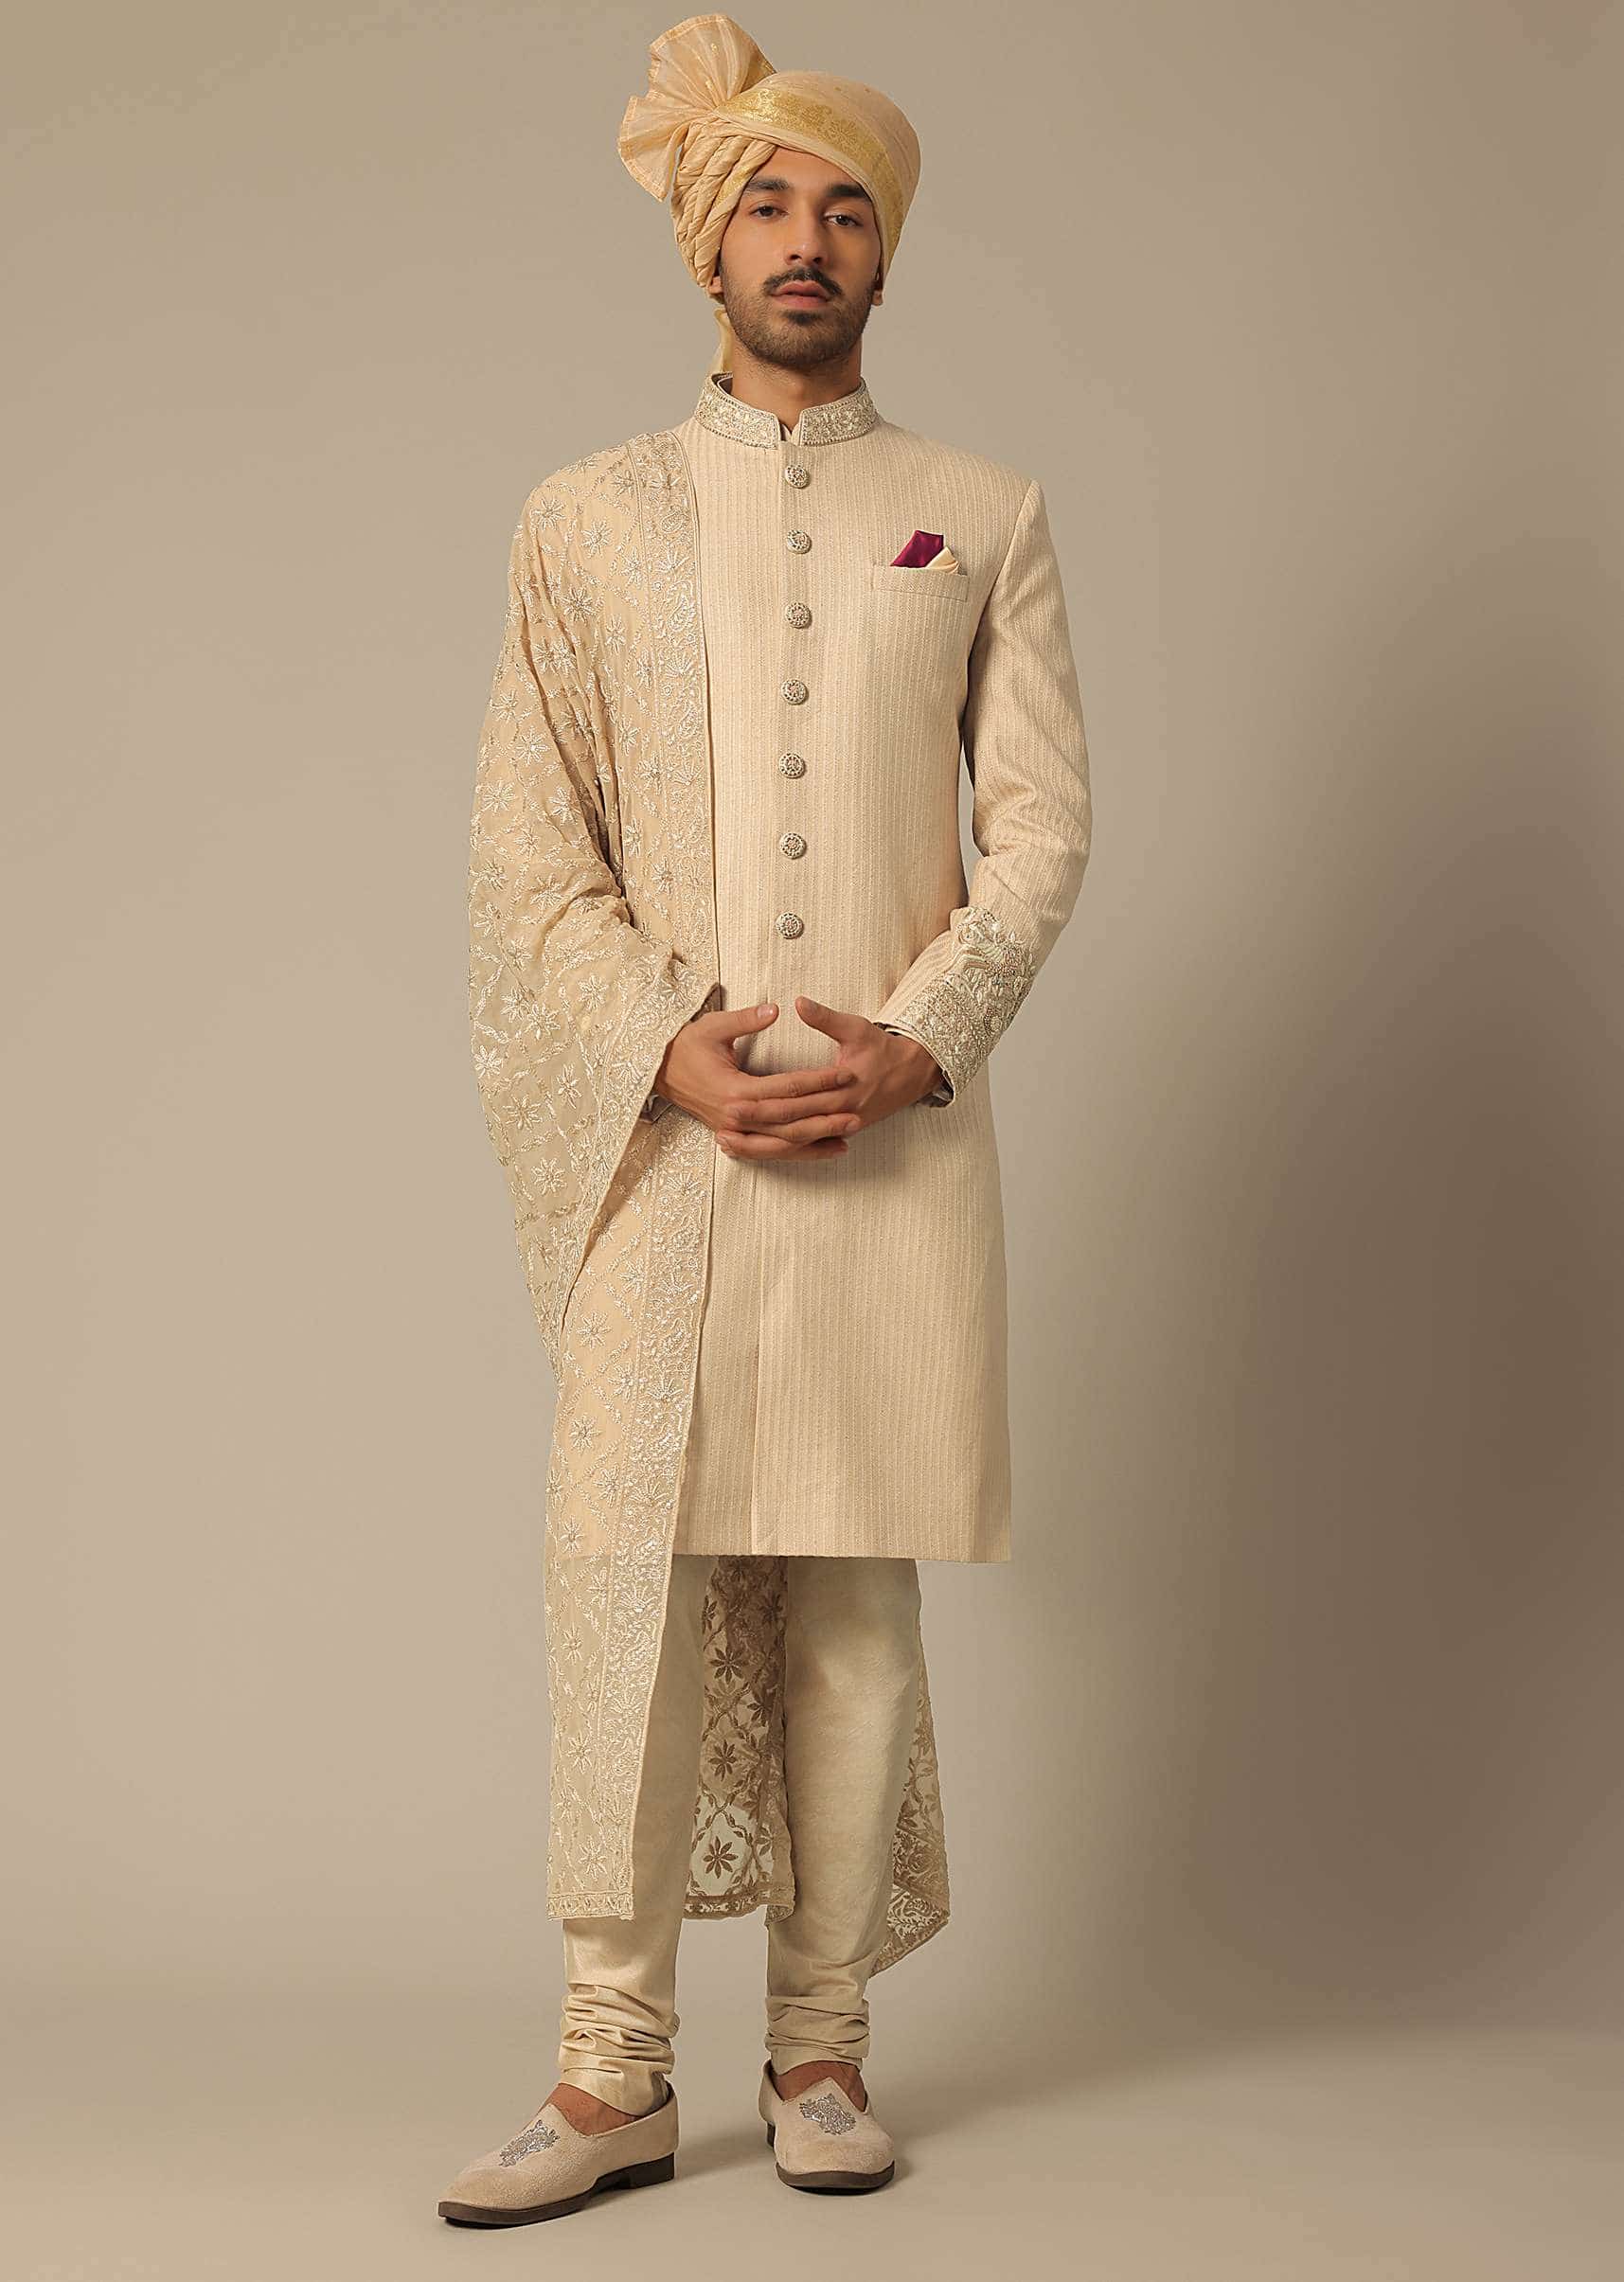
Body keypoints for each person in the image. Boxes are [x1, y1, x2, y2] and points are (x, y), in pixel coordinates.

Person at [439, 9, 1093, 2226]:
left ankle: (821, 2044)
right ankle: (610, 2067)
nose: (805, 241)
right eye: (766, 205)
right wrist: (663, 1040)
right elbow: (526, 852)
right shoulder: (586, 521)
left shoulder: (980, 516)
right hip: (668, 1141)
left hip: (889, 1142)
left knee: (855, 1600)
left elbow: (1040, 836)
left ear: (888, 257)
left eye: (846, 211)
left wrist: (923, 1036)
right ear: (704, 246)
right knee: (623, 1577)